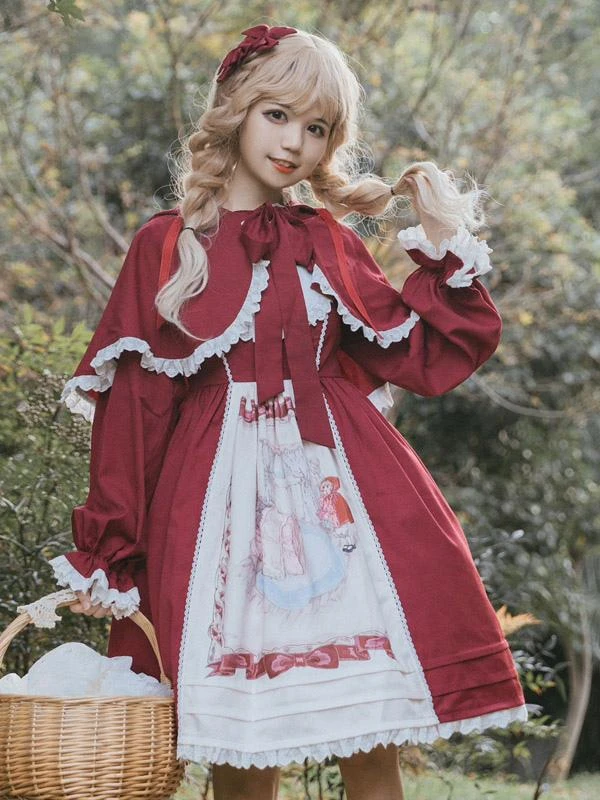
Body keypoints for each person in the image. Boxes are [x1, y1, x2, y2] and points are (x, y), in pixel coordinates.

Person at [49, 24, 527, 800]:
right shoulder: (167, 247)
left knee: (373, 733)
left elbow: (425, 354)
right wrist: (112, 547)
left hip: (344, 501)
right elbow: (134, 413)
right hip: (220, 518)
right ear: (236, 110)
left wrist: (444, 244)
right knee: (242, 752)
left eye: (318, 128)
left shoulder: (326, 240)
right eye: (278, 115)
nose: (295, 143)